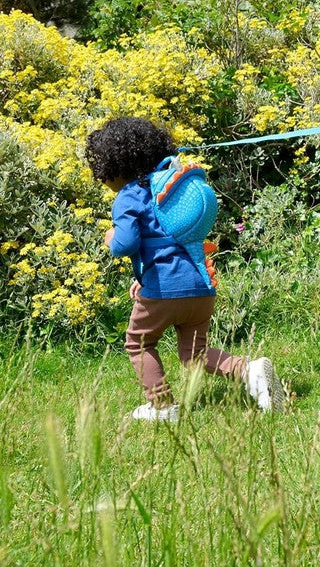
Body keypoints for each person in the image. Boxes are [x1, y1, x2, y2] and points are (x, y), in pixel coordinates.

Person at [86, 116, 284, 421]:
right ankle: (249, 371)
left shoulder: (129, 195)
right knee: (195, 354)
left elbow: (126, 243)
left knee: (139, 343)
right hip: (200, 284)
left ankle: (162, 406)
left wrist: (110, 237)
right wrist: (144, 276)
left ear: (115, 166)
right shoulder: (170, 187)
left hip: (164, 290)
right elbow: (168, 242)